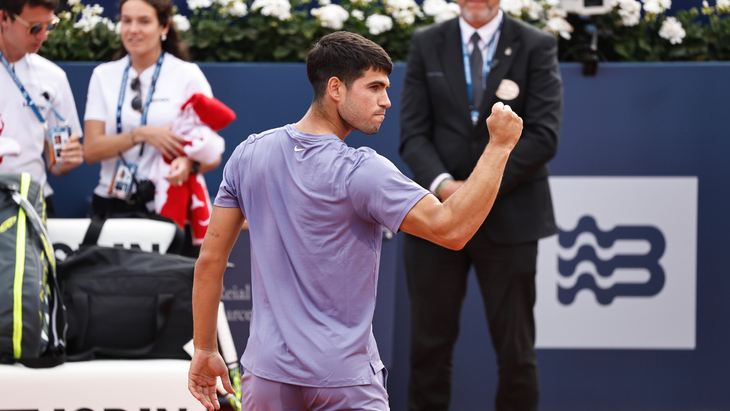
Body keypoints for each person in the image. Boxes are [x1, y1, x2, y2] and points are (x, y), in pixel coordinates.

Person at [188, 31, 524, 411]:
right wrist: (499, 147)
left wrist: (204, 348)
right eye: (375, 87)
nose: (386, 100)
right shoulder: (362, 171)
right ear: (336, 88)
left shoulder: (248, 154)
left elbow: (209, 262)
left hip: (265, 379)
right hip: (344, 381)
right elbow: (452, 229)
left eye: (386, 88)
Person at [399, 0, 563, 409]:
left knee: (516, 351)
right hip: (435, 216)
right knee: (428, 348)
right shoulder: (426, 42)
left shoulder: (536, 44)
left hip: (511, 219)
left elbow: (544, 136)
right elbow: (413, 133)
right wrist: (444, 186)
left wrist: (474, 189)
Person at [83, 0, 221, 254]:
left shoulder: (187, 74)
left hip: (168, 207)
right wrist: (141, 134)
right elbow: (91, 150)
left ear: (163, 26)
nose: (133, 29)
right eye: (127, 21)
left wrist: (189, 164)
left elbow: (212, 153)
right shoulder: (104, 75)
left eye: (144, 21)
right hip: (112, 205)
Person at [0, 0, 84, 217]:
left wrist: (67, 160)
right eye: (34, 27)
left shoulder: (53, 77)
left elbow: (56, 164)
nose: (43, 36)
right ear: (4, 18)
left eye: (50, 25)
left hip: (32, 201)